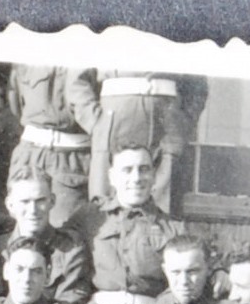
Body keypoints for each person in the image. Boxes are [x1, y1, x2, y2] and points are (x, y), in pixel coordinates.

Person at [88, 69, 205, 215]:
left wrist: (181, 125)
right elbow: (77, 82)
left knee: (163, 210)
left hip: (165, 122)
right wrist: (96, 123)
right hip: (113, 120)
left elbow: (198, 84)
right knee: (106, 210)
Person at [8, 65, 100, 231]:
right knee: (23, 233)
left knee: (64, 233)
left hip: (69, 160)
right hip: (29, 153)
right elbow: (15, 102)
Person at [89, 147, 178, 304]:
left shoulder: (172, 228)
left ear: (153, 176)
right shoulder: (91, 217)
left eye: (144, 170)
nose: (136, 178)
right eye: (127, 170)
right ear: (112, 177)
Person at [0, 172, 94, 304]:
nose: (33, 210)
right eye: (25, 201)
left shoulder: (70, 250)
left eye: (40, 201)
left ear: (52, 201)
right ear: (10, 205)